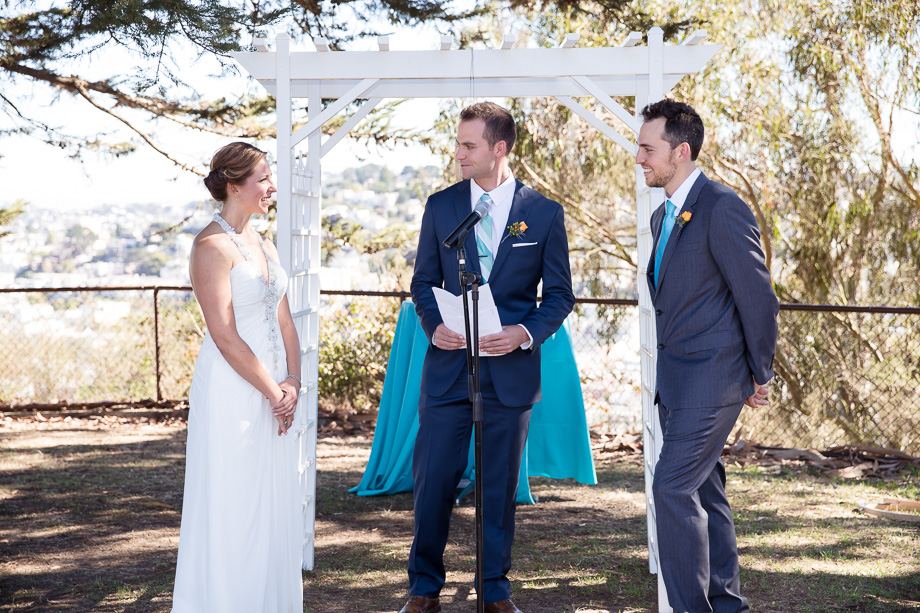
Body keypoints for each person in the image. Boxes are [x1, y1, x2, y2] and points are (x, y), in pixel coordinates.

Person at [401, 102, 575, 613]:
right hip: (448, 372)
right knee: (432, 482)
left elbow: (560, 296)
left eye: (468, 145)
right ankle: (424, 587)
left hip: (510, 377)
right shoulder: (441, 207)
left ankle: (495, 590)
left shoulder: (543, 213)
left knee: (498, 488)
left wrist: (525, 331)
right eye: (458, 144)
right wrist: (435, 329)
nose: (459, 154)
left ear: (499, 149)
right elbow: (422, 284)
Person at [637, 99, 779, 613]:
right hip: (676, 384)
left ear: (681, 151)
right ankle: (726, 606)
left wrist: (759, 373)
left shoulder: (722, 207)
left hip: (713, 380)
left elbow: (757, 297)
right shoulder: (661, 217)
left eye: (647, 148)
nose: (639, 158)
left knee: (671, 490)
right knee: (705, 492)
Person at [171, 142, 304, 612]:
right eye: (264, 179)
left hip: (274, 390)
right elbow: (225, 336)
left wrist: (293, 382)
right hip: (234, 389)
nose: (272, 187)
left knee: (270, 499)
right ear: (234, 186)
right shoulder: (210, 246)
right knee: (234, 498)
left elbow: (286, 321)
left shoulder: (263, 243)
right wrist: (274, 393)